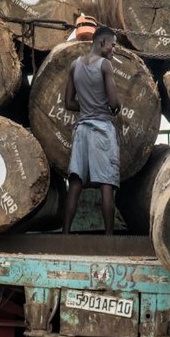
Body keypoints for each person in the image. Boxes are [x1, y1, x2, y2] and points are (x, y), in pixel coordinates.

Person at [62, 25, 121, 235]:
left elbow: (68, 102)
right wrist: (113, 106)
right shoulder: (105, 66)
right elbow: (114, 103)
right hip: (101, 129)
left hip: (82, 130)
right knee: (106, 183)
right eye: (112, 45)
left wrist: (87, 106)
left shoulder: (74, 65)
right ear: (102, 42)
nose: (114, 49)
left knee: (76, 182)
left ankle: (66, 234)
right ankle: (108, 237)